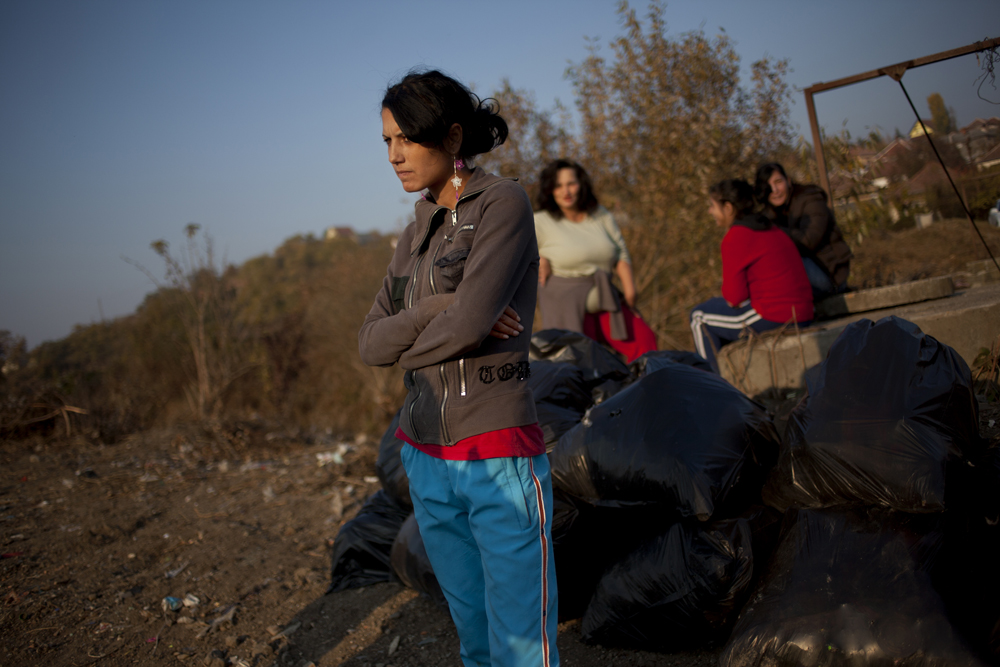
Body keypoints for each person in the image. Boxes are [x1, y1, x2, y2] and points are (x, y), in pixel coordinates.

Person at [358, 69, 558, 667]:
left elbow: (471, 328)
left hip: (496, 450)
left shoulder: (503, 203)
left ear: (450, 136)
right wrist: (443, 307)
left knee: (521, 643)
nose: (394, 156)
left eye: (405, 139)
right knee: (473, 637)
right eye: (386, 142)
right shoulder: (415, 228)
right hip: (425, 456)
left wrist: (437, 326)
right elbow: (368, 343)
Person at [533, 158, 657, 363]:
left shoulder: (600, 215)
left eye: (571, 183)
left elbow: (620, 252)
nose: (566, 191)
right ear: (549, 189)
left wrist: (630, 290)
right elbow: (518, 252)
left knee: (645, 343)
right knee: (585, 364)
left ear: (581, 184)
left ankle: (649, 392)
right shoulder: (540, 220)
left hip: (606, 298)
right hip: (566, 306)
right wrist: (540, 257)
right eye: (558, 185)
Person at [690, 179, 814, 373]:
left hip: (776, 315)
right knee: (713, 306)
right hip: (803, 311)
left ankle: (712, 387)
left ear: (728, 208)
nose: (710, 212)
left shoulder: (736, 236)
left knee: (699, 317)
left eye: (712, 206)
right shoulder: (769, 227)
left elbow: (734, 297)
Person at [754, 162, 852, 299]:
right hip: (807, 278)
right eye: (768, 186)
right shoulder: (768, 214)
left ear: (787, 180)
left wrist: (773, 232)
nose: (775, 190)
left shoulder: (810, 198)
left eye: (778, 182)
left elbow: (808, 241)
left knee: (781, 257)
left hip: (829, 275)